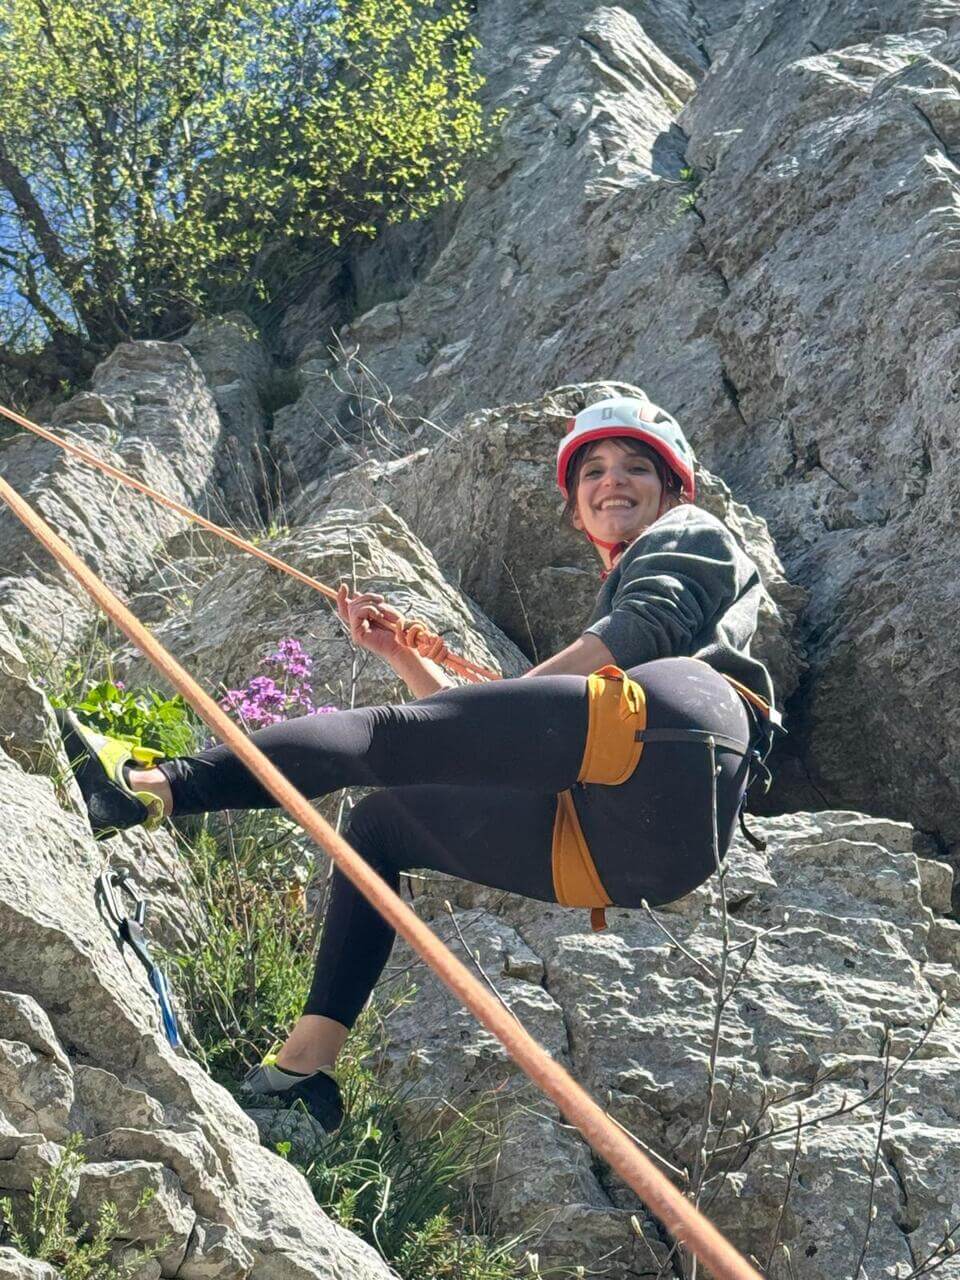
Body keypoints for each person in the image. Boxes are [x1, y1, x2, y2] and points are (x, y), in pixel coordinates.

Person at [57, 392, 780, 1135]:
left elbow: (646, 625)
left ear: (674, 490)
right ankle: (302, 1074)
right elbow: (481, 750)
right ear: (574, 510)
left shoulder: (690, 531)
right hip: (648, 854)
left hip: (687, 715)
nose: (612, 481)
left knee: (380, 737)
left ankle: (147, 786)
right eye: (592, 471)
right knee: (382, 826)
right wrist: (404, 659)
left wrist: (484, 711)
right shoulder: (620, 625)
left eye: (636, 467)